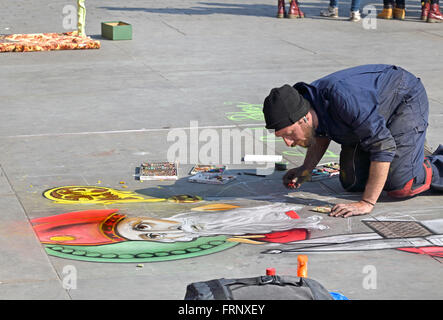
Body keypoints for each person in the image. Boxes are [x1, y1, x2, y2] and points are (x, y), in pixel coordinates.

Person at [262, 64, 443, 218]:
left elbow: (382, 146)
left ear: (305, 119)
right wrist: (306, 169)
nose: (288, 142)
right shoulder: (309, 104)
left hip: (403, 98)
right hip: (370, 118)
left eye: (290, 133)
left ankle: (426, 160)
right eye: (283, 136)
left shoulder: (343, 100)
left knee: (400, 185)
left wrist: (366, 203)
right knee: (352, 181)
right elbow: (320, 134)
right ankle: (409, 150)